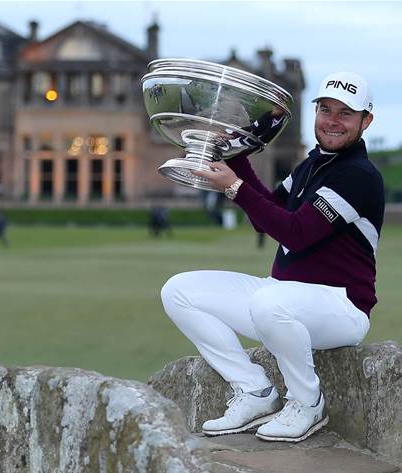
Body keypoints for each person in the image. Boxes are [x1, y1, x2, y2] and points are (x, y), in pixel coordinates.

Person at [161, 72, 383, 443]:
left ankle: (308, 403)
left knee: (269, 301)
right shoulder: (312, 165)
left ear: (366, 121)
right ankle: (255, 391)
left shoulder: (359, 175)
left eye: (345, 113)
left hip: (341, 307)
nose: (333, 120)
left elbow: (295, 233)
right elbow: (265, 216)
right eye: (326, 110)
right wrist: (236, 153)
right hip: (283, 297)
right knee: (178, 291)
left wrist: (233, 187)